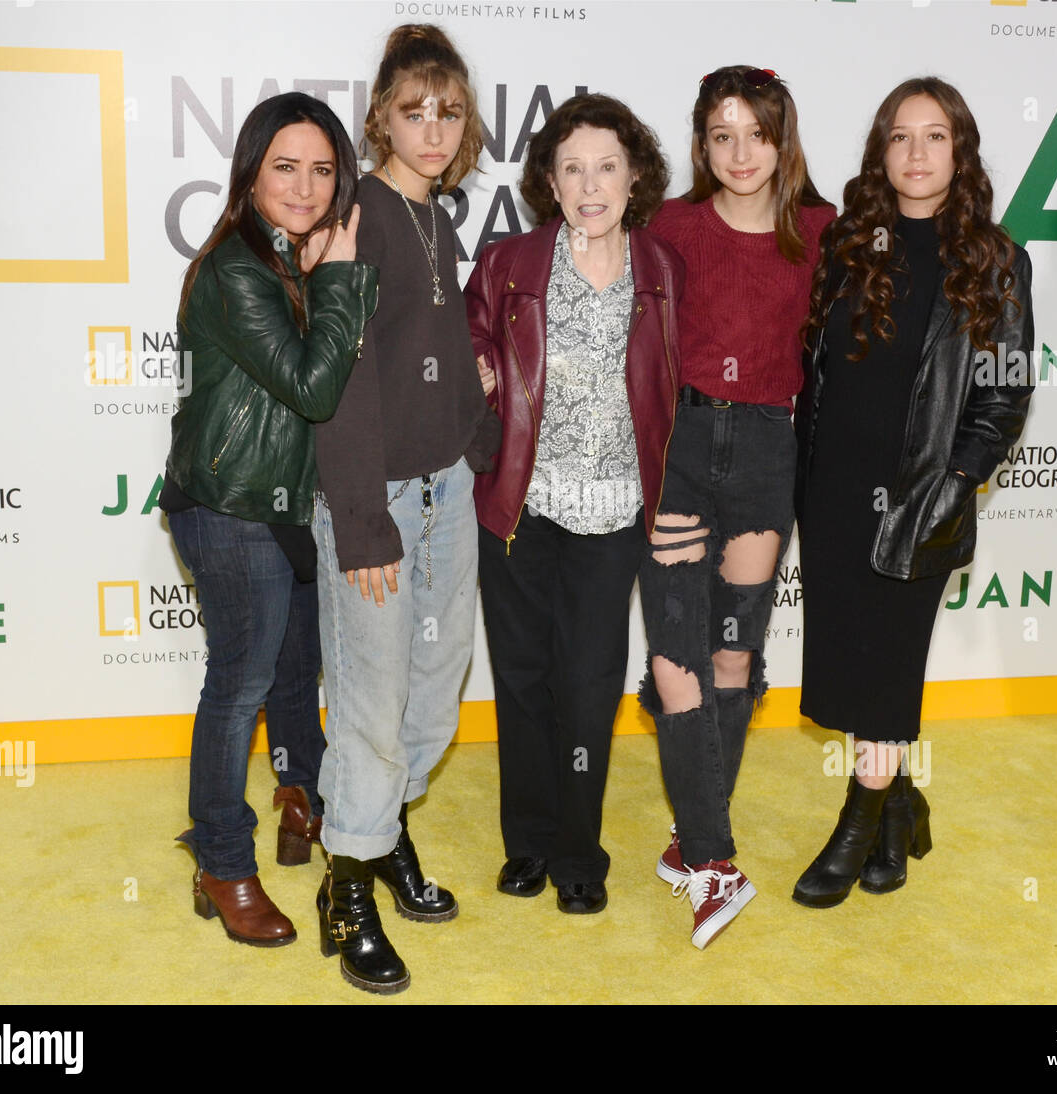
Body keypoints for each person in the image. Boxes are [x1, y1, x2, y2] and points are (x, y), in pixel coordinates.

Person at [792, 77, 1034, 907]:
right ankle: (901, 810)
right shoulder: (849, 243)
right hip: (832, 493)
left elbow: (1006, 389)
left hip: (921, 498)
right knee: (846, 667)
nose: (918, 153)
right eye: (901, 137)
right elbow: (817, 368)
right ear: (881, 152)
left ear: (960, 152)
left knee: (889, 669)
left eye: (937, 137)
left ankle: (857, 825)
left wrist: (959, 481)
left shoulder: (997, 260)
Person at [162, 91, 375, 946]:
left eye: (323, 169)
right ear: (250, 173)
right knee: (241, 687)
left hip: (284, 504)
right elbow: (315, 387)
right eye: (285, 166)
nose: (306, 185)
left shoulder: (285, 258)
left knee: (296, 676)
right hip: (231, 505)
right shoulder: (239, 270)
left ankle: (302, 804)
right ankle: (221, 859)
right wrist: (344, 279)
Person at [313, 24, 498, 994]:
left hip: (445, 494)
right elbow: (337, 380)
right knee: (372, 706)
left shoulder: (438, 217)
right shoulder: (359, 216)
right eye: (414, 109)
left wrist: (475, 441)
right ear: (381, 113)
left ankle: (379, 835)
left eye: (450, 111)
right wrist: (361, 519)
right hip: (375, 503)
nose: (433, 128)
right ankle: (346, 884)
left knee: (433, 692)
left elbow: (436, 353)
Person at [465, 94, 683, 916]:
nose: (590, 185)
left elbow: (680, 391)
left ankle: (577, 852)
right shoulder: (511, 262)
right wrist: (480, 363)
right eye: (572, 168)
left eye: (607, 167)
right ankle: (526, 842)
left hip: (617, 510)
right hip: (519, 505)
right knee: (520, 678)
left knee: (590, 683)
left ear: (634, 178)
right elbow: (472, 330)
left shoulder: (662, 270)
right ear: (550, 183)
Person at [639, 66, 835, 949]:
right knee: (675, 662)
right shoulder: (670, 227)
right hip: (678, 451)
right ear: (701, 145)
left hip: (765, 455)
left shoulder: (822, 234)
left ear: (783, 140)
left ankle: (691, 838)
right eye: (723, 136)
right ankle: (716, 859)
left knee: (729, 658)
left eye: (757, 133)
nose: (741, 153)